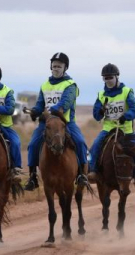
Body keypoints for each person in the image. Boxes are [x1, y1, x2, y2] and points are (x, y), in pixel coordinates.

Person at [24, 52, 88, 191]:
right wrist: (35, 111)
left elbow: (66, 102)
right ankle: (33, 177)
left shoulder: (71, 85)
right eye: (54, 66)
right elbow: (40, 104)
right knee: (33, 144)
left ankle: (82, 175)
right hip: (46, 124)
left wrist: (54, 109)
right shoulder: (45, 85)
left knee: (80, 142)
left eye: (59, 66)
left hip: (65, 122)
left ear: (65, 68)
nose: (56, 68)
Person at [87, 63, 135, 188]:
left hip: (126, 129)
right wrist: (101, 111)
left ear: (117, 77)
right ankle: (92, 171)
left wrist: (126, 116)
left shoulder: (127, 91)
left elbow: (134, 109)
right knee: (94, 147)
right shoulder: (101, 95)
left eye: (110, 77)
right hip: (108, 128)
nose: (108, 80)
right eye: (105, 78)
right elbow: (96, 116)